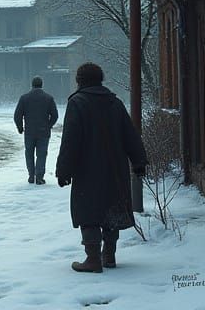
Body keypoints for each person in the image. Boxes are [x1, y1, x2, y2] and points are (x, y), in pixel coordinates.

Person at [55, 62, 147, 273]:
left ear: (80, 81)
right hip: (115, 167)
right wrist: (139, 162)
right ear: (100, 79)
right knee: (111, 209)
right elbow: (130, 135)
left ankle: (93, 258)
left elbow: (70, 141)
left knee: (88, 211)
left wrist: (64, 171)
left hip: (87, 169)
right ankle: (110, 255)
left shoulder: (77, 103)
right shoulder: (114, 102)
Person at [13, 75, 58, 184]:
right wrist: (49, 125)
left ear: (32, 85)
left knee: (29, 153)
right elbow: (55, 115)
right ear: (42, 85)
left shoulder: (24, 98)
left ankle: (31, 175)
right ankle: (39, 177)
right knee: (41, 154)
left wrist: (20, 127)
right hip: (44, 132)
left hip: (29, 132)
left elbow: (17, 115)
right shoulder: (49, 98)